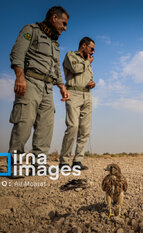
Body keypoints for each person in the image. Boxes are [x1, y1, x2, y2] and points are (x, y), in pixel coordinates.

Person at [9, 6, 69, 158]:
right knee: (24, 123)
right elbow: (17, 53)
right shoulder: (31, 30)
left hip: (48, 88)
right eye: (64, 23)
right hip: (30, 83)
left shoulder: (54, 44)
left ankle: (38, 164)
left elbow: (56, 67)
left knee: (45, 127)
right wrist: (20, 77)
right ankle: (14, 163)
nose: (65, 28)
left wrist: (61, 86)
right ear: (54, 18)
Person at [59, 37, 96, 170]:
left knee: (85, 130)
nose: (93, 52)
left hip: (87, 95)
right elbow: (75, 69)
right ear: (84, 45)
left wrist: (92, 84)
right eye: (91, 49)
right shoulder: (71, 55)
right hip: (73, 94)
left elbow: (88, 78)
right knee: (73, 127)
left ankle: (77, 161)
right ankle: (64, 161)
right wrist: (87, 62)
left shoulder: (87, 62)